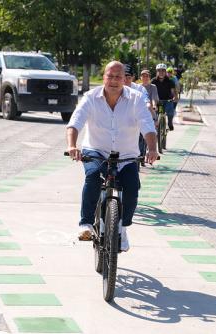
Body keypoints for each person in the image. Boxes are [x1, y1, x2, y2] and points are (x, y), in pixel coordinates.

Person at [66, 61, 159, 251]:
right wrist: (72, 145)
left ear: (124, 79)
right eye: (110, 76)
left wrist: (151, 148)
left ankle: (122, 229)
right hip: (96, 151)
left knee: (132, 188)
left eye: (119, 77)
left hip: (127, 155)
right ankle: (86, 224)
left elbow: (147, 125)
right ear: (104, 78)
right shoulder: (91, 97)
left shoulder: (136, 98)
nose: (114, 81)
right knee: (92, 177)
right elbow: (75, 122)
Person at [151, 63, 177, 130]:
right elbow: (150, 91)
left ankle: (170, 122)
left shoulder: (170, 81)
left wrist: (174, 97)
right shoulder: (153, 81)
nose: (161, 72)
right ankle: (158, 127)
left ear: (165, 72)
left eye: (163, 71)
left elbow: (173, 92)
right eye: (159, 70)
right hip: (158, 101)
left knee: (170, 111)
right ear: (157, 72)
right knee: (158, 114)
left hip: (168, 100)